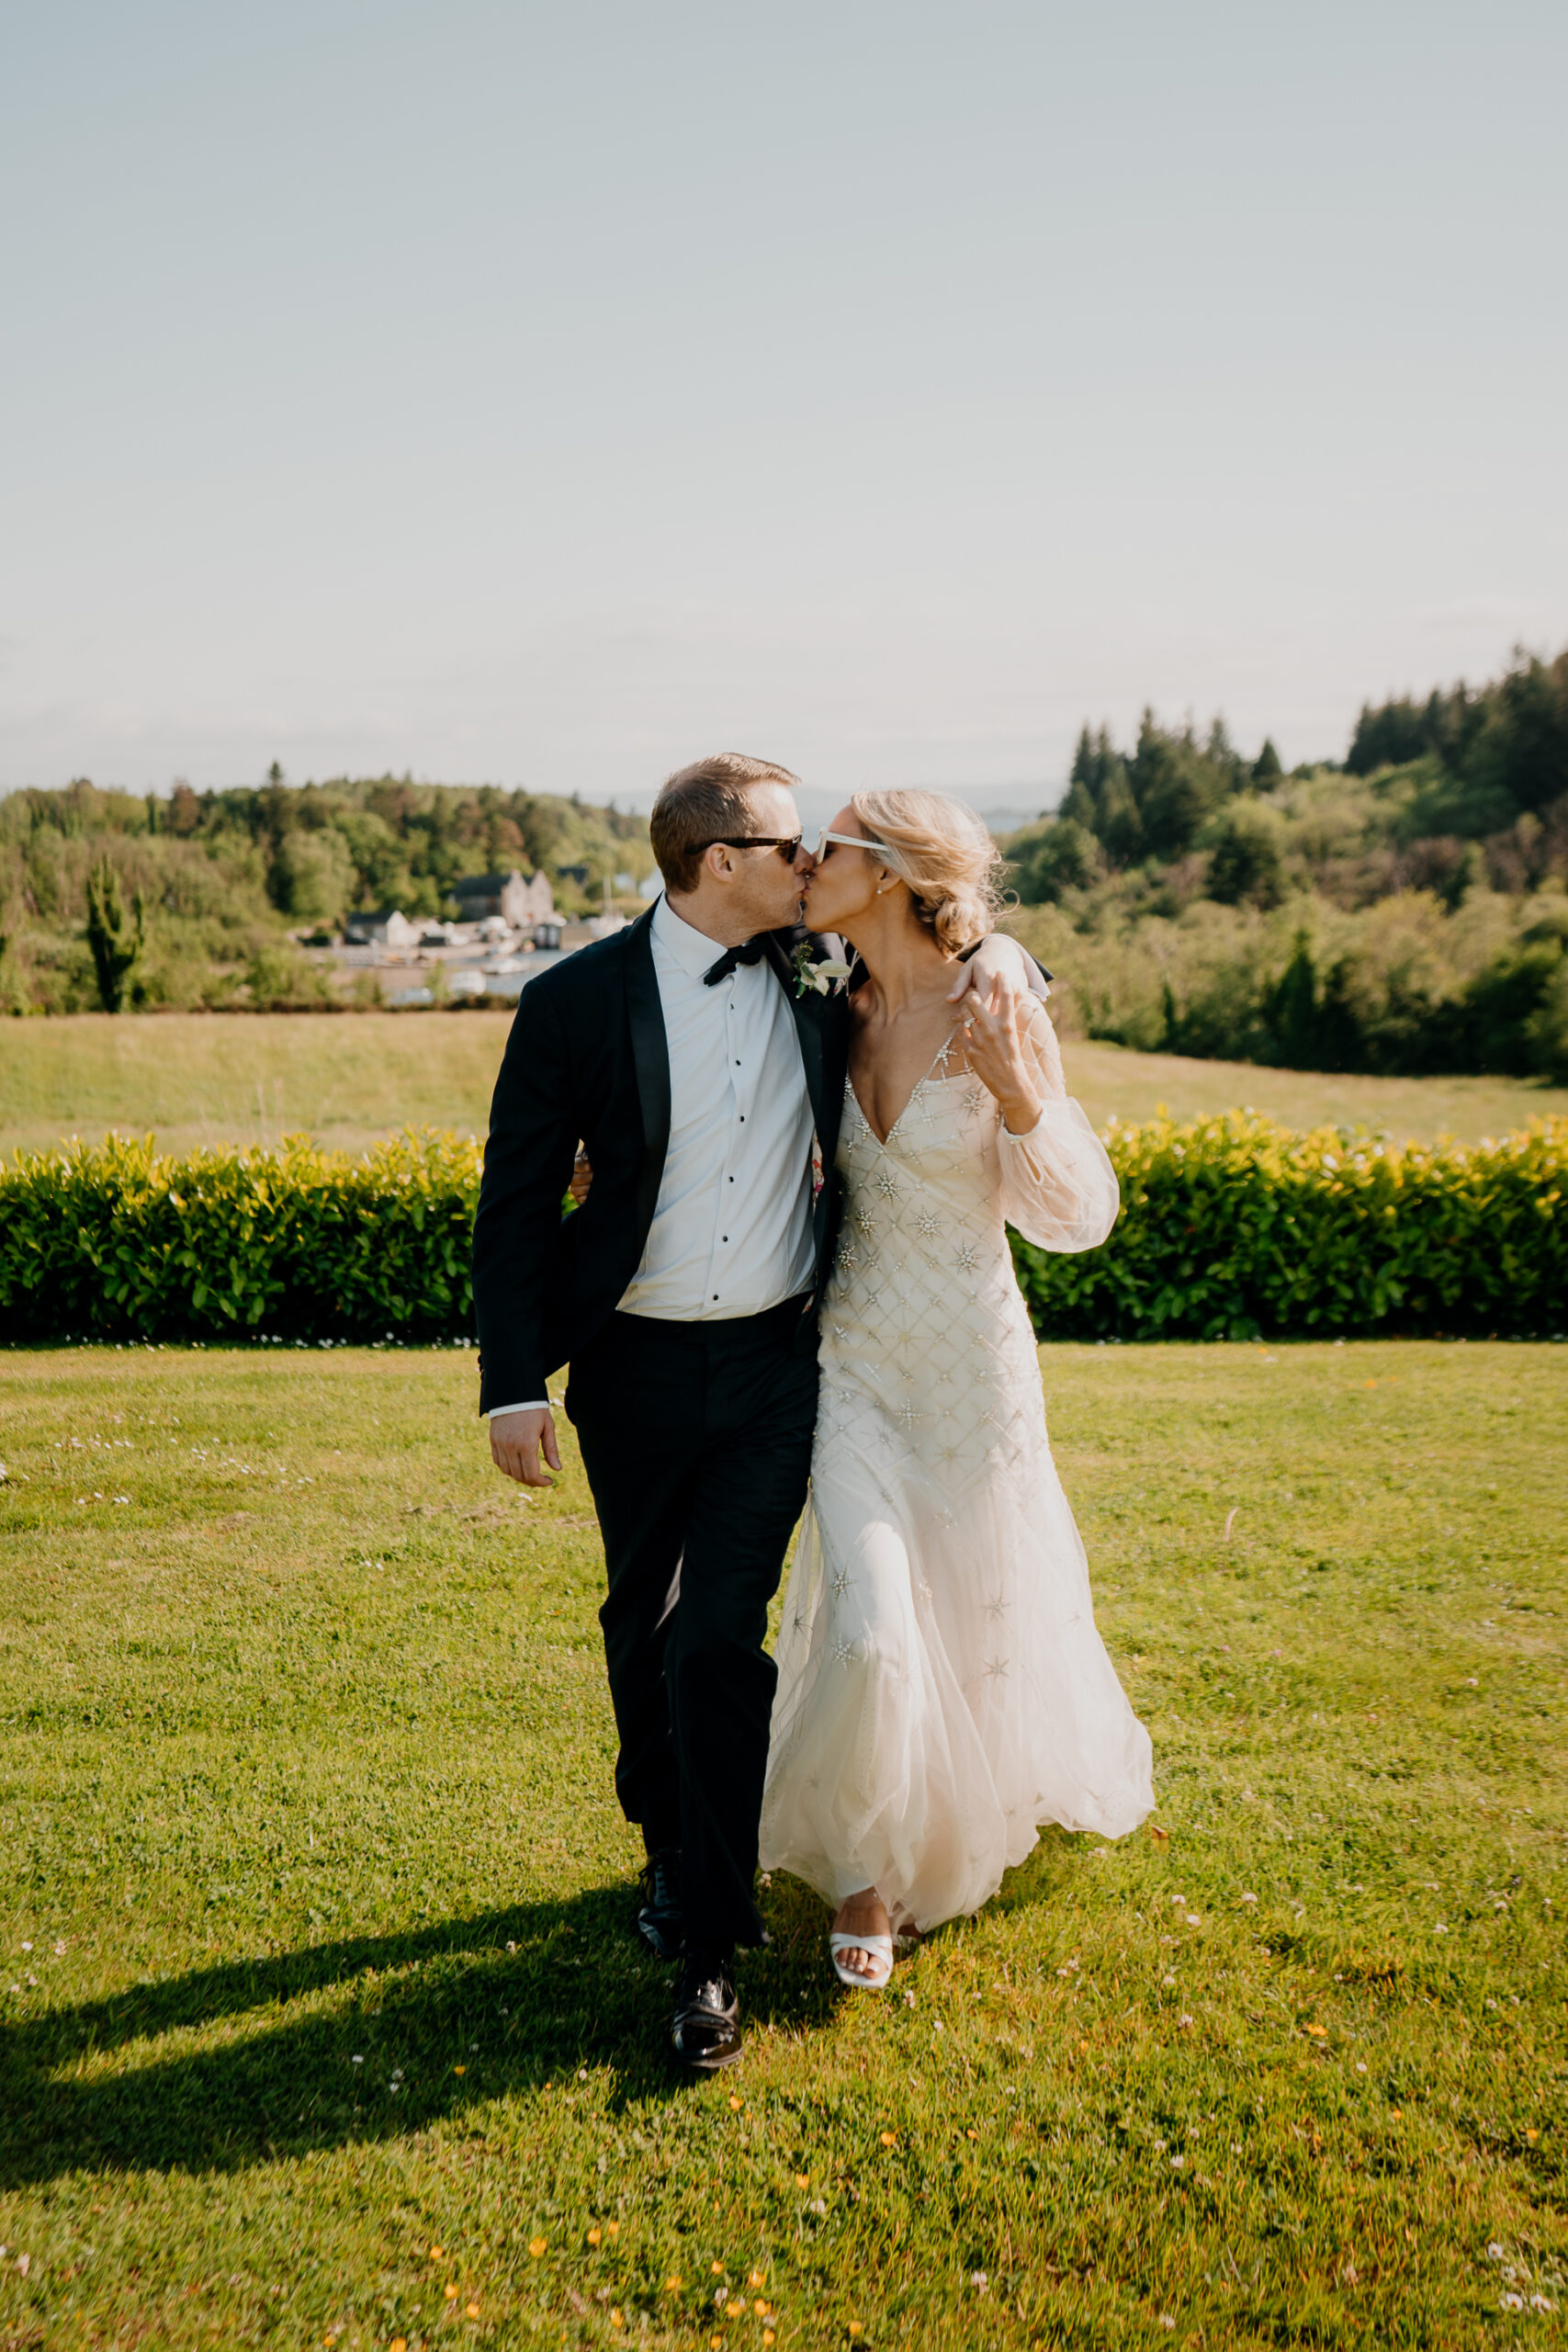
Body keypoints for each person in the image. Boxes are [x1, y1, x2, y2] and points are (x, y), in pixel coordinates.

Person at [470, 753, 1047, 2072]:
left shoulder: (818, 978)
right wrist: (513, 1381)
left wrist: (1002, 951)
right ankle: (670, 1847)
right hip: (630, 1366)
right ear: (716, 864)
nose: (808, 868)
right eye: (789, 849)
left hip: (786, 1365)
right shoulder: (570, 1004)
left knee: (721, 1635)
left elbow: (948, 955)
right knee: (644, 1623)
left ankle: (710, 1949)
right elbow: (512, 1206)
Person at [758, 789, 1152, 1987]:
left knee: (968, 1614)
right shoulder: (828, 1014)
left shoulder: (998, 998)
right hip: (848, 1368)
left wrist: (1029, 1100)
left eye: (826, 849)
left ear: (888, 874)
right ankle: (869, 1880)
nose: (803, 864)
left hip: (972, 1368)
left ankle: (946, 1824)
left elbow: (1077, 1219)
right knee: (872, 1626)